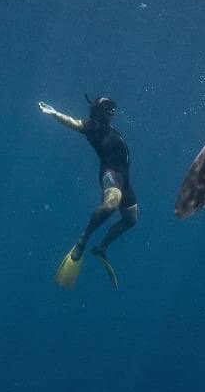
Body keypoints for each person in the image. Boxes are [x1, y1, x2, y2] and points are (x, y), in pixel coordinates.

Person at [39, 94, 138, 287]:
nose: (112, 110)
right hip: (110, 175)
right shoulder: (93, 127)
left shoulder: (111, 129)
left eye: (113, 105)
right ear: (99, 110)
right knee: (111, 203)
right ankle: (84, 238)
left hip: (125, 179)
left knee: (131, 219)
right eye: (108, 106)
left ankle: (101, 248)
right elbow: (74, 123)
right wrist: (53, 113)